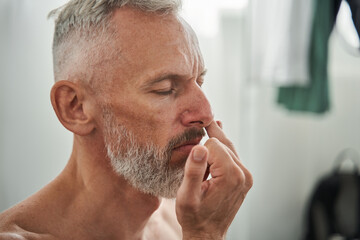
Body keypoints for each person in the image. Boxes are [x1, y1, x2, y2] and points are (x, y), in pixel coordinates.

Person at [0, 0, 253, 239]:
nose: (205, 113)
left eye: (199, 82)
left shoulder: (186, 217)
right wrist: (205, 235)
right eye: (165, 88)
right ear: (75, 108)